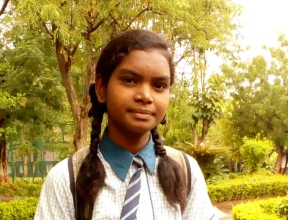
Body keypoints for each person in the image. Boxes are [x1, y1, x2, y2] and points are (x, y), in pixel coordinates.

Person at [34, 29, 217, 220]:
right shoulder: (66, 179)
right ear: (101, 88)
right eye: (129, 80)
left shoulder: (185, 172)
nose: (145, 96)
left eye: (159, 86)